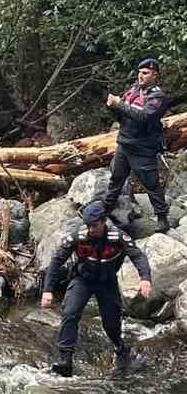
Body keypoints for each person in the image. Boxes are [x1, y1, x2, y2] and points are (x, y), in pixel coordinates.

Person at [42, 199, 152, 376]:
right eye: (88, 225)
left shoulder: (118, 237)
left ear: (103, 220)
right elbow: (56, 261)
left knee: (111, 324)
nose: (91, 229)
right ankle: (65, 359)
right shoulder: (78, 236)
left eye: (94, 225)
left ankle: (120, 348)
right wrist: (48, 290)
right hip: (82, 280)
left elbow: (138, 256)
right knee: (70, 312)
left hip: (107, 283)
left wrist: (145, 279)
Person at [105, 56, 171, 233]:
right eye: (139, 72)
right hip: (124, 143)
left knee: (151, 184)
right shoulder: (132, 91)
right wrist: (112, 107)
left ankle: (162, 218)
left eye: (145, 73)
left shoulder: (157, 96)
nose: (140, 76)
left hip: (143, 147)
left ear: (154, 75)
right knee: (116, 179)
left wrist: (120, 105)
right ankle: (104, 211)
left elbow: (145, 117)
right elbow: (121, 116)